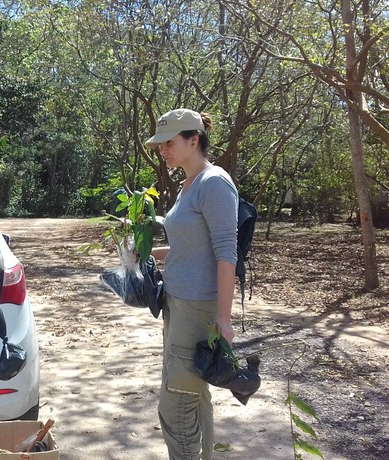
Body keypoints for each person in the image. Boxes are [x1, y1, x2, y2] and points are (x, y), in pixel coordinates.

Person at [145, 108, 238, 460]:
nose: (162, 150)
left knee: (176, 406)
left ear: (193, 140)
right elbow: (190, 245)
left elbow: (226, 253)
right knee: (195, 395)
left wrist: (224, 319)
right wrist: (146, 251)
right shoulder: (189, 184)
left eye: (169, 142)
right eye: (160, 144)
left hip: (197, 310)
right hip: (177, 303)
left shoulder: (213, 182)